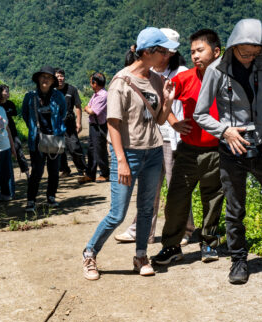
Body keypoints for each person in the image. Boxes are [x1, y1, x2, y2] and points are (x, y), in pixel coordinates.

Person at [193, 18, 262, 285]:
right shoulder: (216, 70)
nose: (250, 57)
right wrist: (225, 131)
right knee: (235, 209)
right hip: (231, 149)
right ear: (232, 46)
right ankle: (239, 260)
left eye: (255, 52)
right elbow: (200, 114)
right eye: (244, 52)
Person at [81, 28, 178, 280]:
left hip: (154, 152)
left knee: (146, 209)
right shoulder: (120, 83)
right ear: (147, 52)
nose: (167, 55)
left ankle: (141, 255)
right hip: (129, 155)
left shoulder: (156, 80)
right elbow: (113, 125)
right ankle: (89, 253)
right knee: (117, 213)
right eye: (162, 51)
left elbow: (157, 119)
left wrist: (166, 101)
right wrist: (121, 160)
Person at [151, 29, 226, 265]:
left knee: (212, 198)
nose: (194, 56)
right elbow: (164, 100)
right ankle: (171, 245)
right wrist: (174, 122)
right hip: (188, 149)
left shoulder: (226, 78)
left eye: (200, 50)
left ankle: (209, 244)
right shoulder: (186, 78)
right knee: (176, 197)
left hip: (216, 149)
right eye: (192, 51)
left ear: (216, 51)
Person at [116, 27, 194, 244]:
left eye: (166, 51)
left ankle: (185, 230)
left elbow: (173, 107)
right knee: (149, 188)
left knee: (175, 186)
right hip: (149, 137)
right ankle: (141, 231)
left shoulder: (181, 73)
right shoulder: (147, 73)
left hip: (171, 139)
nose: (164, 54)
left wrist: (177, 125)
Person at [22, 66, 68, 213]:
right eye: (42, 76)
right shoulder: (30, 96)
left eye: (48, 77)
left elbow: (63, 113)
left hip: (55, 136)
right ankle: (31, 200)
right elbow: (25, 114)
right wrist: (33, 128)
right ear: (37, 79)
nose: (45, 79)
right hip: (37, 138)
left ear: (53, 81)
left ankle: (51, 196)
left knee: (54, 170)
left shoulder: (58, 96)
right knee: (37, 170)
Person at [56, 68, 87, 178]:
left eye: (62, 76)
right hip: (56, 124)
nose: (60, 78)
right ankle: (65, 170)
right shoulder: (52, 91)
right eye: (58, 76)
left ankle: (82, 169)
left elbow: (78, 106)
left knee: (74, 147)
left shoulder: (71, 89)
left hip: (69, 124)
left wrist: (79, 122)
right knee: (59, 149)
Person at [83, 73, 110, 182]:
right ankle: (90, 174)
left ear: (95, 83)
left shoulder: (103, 95)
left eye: (91, 82)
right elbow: (88, 107)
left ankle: (105, 173)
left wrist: (88, 109)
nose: (90, 84)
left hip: (99, 126)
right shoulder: (96, 94)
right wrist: (88, 108)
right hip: (93, 125)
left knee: (100, 150)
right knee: (91, 150)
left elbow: (92, 111)